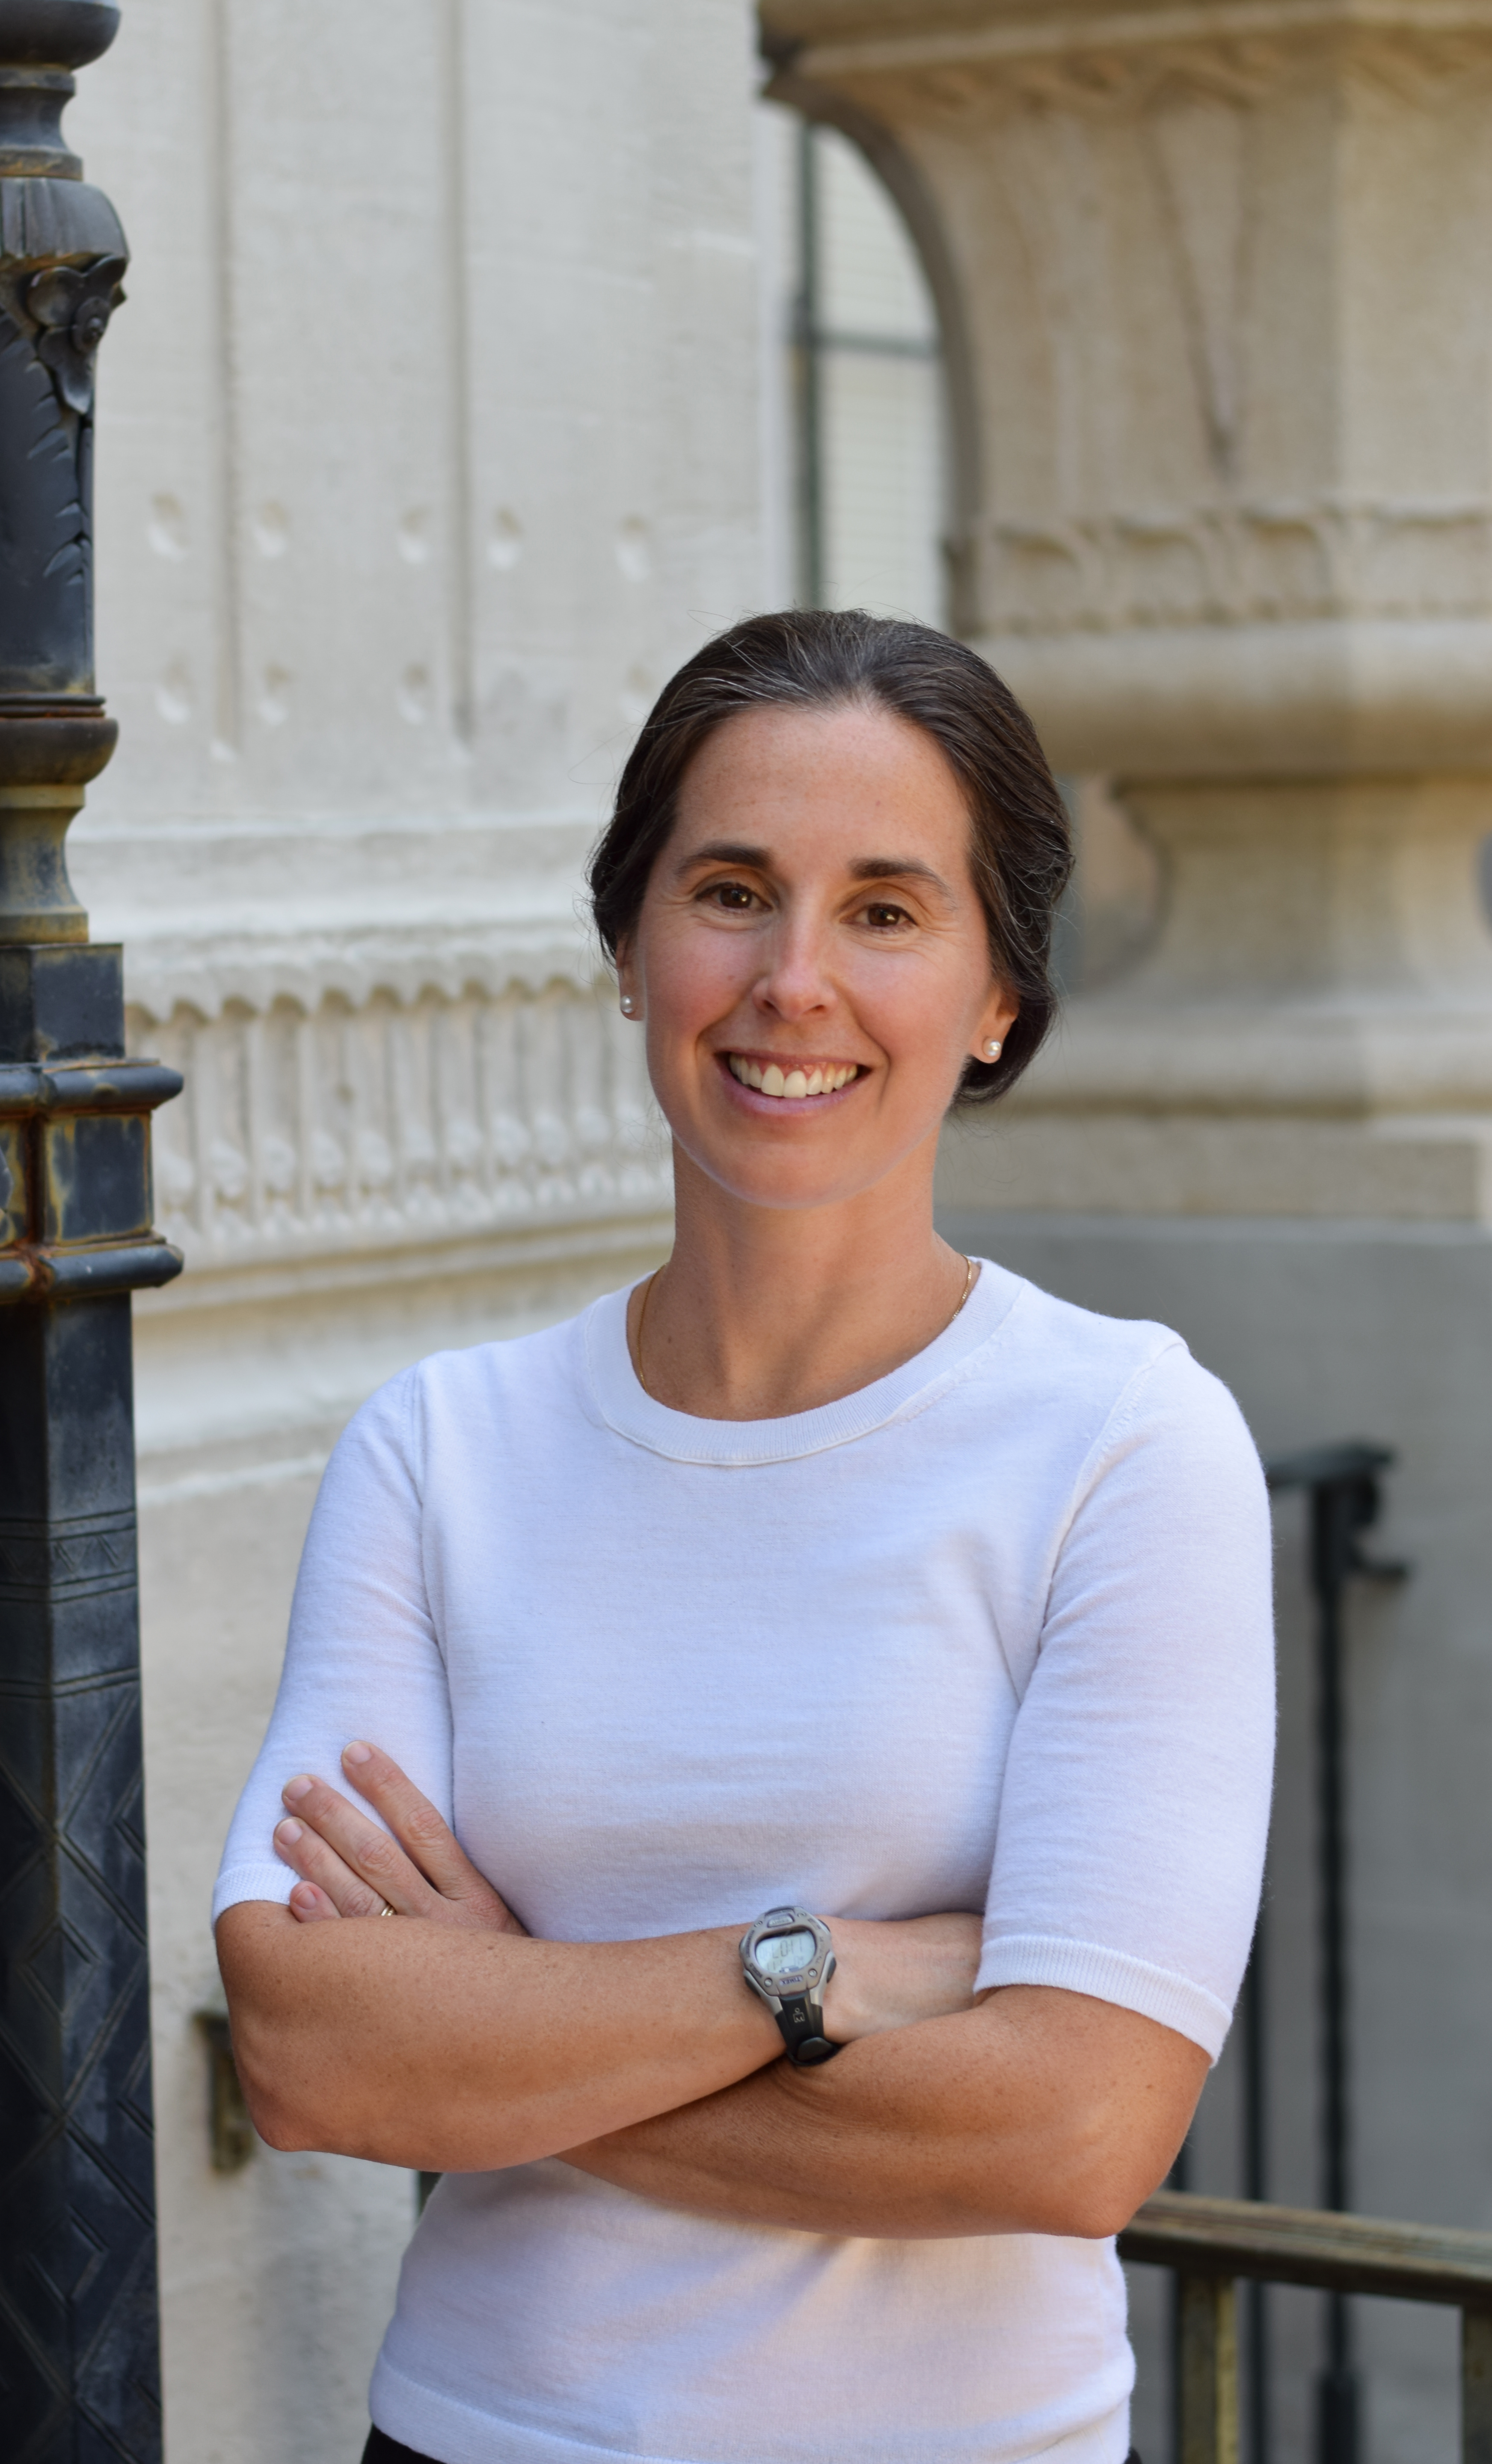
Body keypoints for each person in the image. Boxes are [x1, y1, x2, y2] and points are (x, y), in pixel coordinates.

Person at [213, 609, 1274, 2464]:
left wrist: (496, 2047)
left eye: (885, 909)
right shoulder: (440, 1450)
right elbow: (311, 2051)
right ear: (631, 948)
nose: (793, 979)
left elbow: (1073, 2135)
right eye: (729, 890)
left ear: (999, 993)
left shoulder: (1123, 1444)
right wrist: (814, 1967)